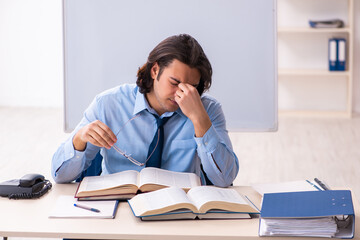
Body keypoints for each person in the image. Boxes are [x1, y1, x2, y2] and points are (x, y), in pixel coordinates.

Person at [52, 34, 239, 187]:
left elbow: (224, 179)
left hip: (179, 214)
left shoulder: (208, 110)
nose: (180, 94)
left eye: (191, 87)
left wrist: (200, 120)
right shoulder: (108, 104)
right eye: (174, 83)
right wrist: (79, 139)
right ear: (155, 70)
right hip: (119, 209)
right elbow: (59, 175)